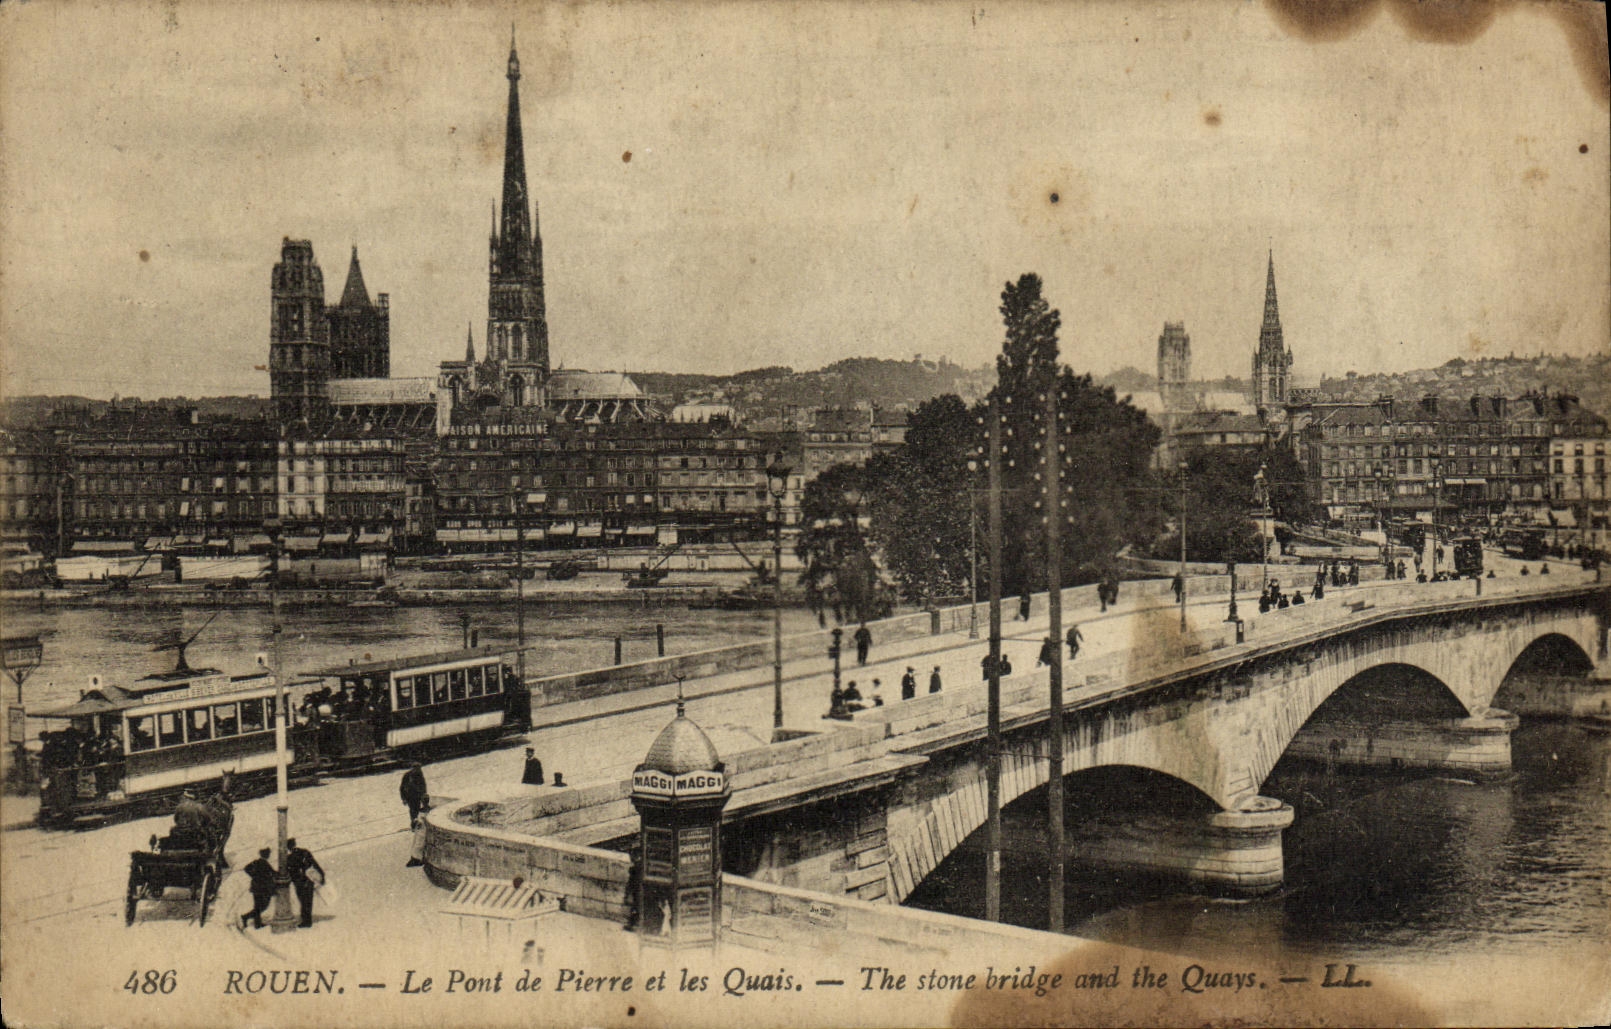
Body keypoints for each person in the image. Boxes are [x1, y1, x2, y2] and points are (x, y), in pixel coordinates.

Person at [284, 838, 323, 929]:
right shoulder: (305, 852)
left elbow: (289, 872)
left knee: (302, 901)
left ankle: (305, 921)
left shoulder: (289, 858)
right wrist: (322, 874)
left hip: (299, 882)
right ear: (295, 844)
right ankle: (307, 920)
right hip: (309, 880)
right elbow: (314, 864)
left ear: (288, 847)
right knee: (308, 901)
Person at [239, 847, 277, 930]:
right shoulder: (264, 863)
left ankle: (256, 923)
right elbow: (273, 873)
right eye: (268, 853)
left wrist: (254, 876)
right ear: (266, 854)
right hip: (263, 888)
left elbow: (246, 868)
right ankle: (247, 917)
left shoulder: (257, 862)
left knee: (258, 906)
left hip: (256, 887)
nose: (269, 855)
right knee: (263, 906)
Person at [400, 761, 428, 828]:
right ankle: (413, 824)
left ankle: (416, 822)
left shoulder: (420, 774)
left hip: (417, 795)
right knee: (413, 810)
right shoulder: (407, 775)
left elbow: (423, 784)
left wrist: (424, 793)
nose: (418, 770)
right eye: (417, 769)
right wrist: (403, 799)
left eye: (419, 768)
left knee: (417, 809)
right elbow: (402, 788)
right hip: (409, 796)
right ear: (413, 768)